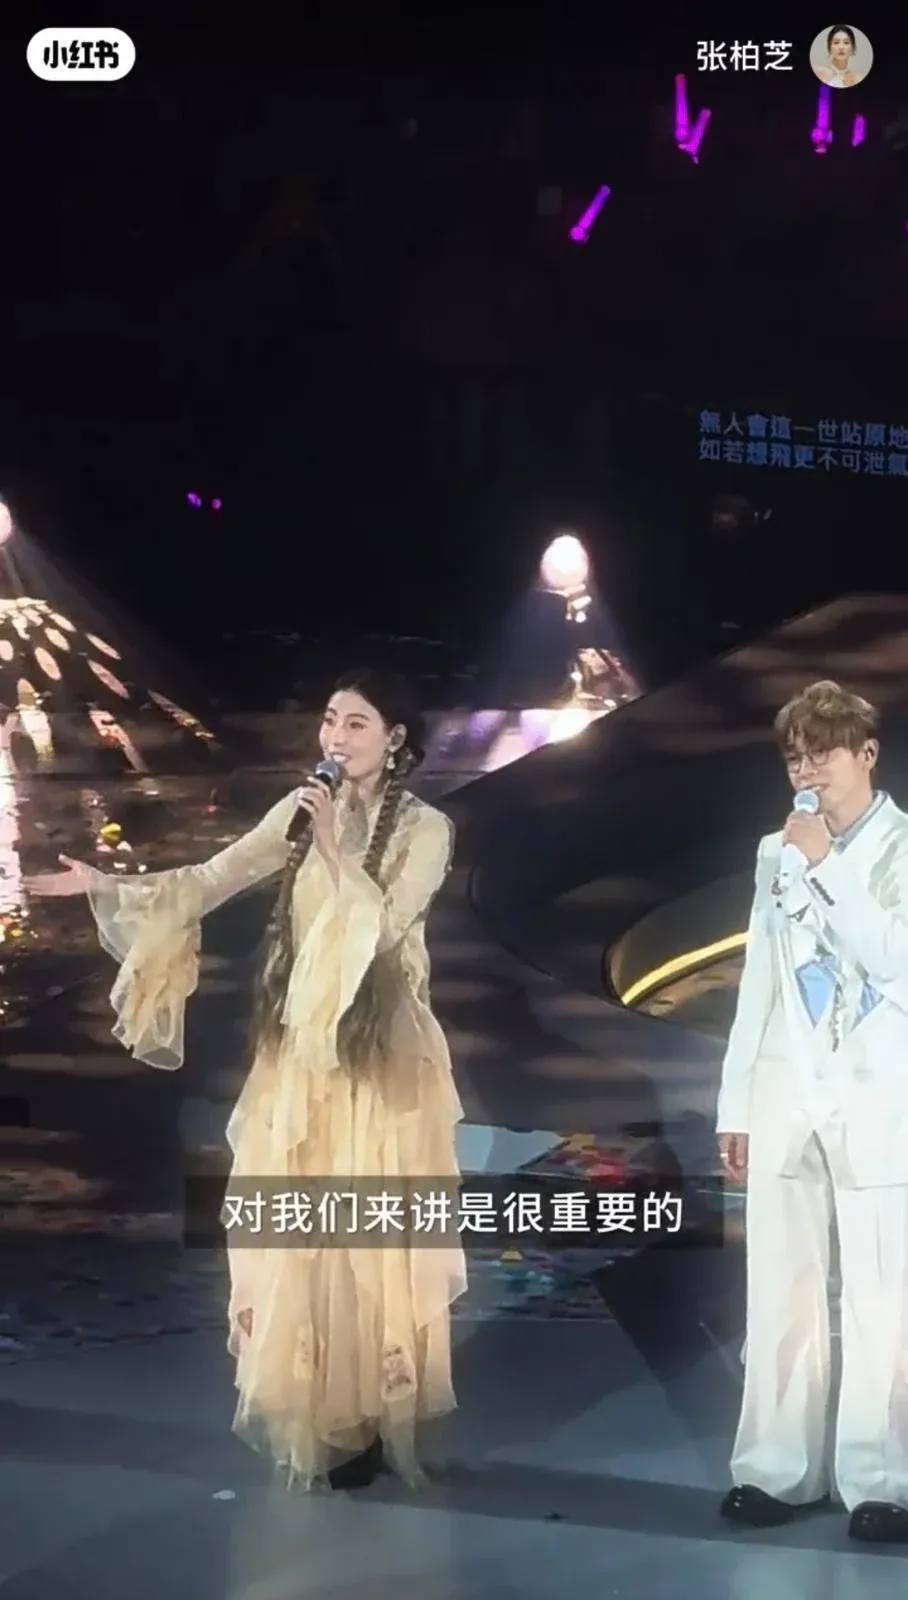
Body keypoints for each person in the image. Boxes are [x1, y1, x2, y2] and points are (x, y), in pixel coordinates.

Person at [26, 669, 466, 1491]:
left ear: (395, 738)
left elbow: (383, 926)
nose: (336, 738)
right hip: (299, 1052)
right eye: (330, 720)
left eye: (357, 724)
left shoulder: (427, 830)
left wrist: (332, 845)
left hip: (377, 1054)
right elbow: (213, 877)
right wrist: (104, 886)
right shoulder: (299, 811)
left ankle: (372, 1411)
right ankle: (324, 1411)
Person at [716, 680, 908, 1544]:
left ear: (866, 754)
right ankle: (775, 1469)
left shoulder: (901, 848)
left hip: (880, 1093)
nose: (807, 770)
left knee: (883, 1295)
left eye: (823, 752)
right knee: (779, 1287)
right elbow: (758, 978)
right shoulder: (776, 851)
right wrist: (736, 1104)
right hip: (786, 1090)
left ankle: (882, 1479)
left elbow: (894, 959)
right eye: (795, 756)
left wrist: (827, 865)